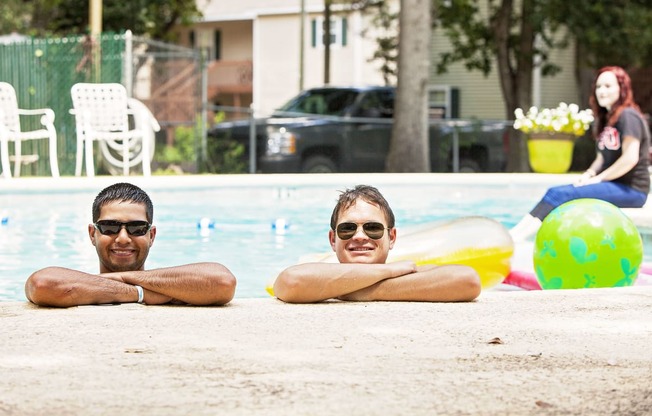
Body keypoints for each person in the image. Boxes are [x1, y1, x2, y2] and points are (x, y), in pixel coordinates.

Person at [25, 182, 237, 307]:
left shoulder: (81, 285)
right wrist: (140, 293)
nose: (124, 238)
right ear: (92, 234)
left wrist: (117, 280)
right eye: (110, 227)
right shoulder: (170, 289)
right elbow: (42, 284)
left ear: (151, 235)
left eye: (137, 228)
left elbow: (223, 281)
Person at [273, 185, 482, 303]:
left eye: (372, 227)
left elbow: (468, 280)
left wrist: (367, 291)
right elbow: (291, 282)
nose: (360, 236)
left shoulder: (402, 272)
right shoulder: (401, 272)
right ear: (332, 239)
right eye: (348, 228)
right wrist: (389, 272)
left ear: (391, 238)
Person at [510, 66, 651, 241]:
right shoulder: (608, 119)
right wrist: (588, 175)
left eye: (608, 86)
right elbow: (602, 157)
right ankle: (515, 234)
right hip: (614, 185)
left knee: (559, 195)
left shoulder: (628, 116)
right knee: (554, 192)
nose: (602, 91)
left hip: (632, 190)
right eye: (598, 87)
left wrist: (599, 179)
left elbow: (629, 159)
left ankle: (519, 238)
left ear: (622, 89)